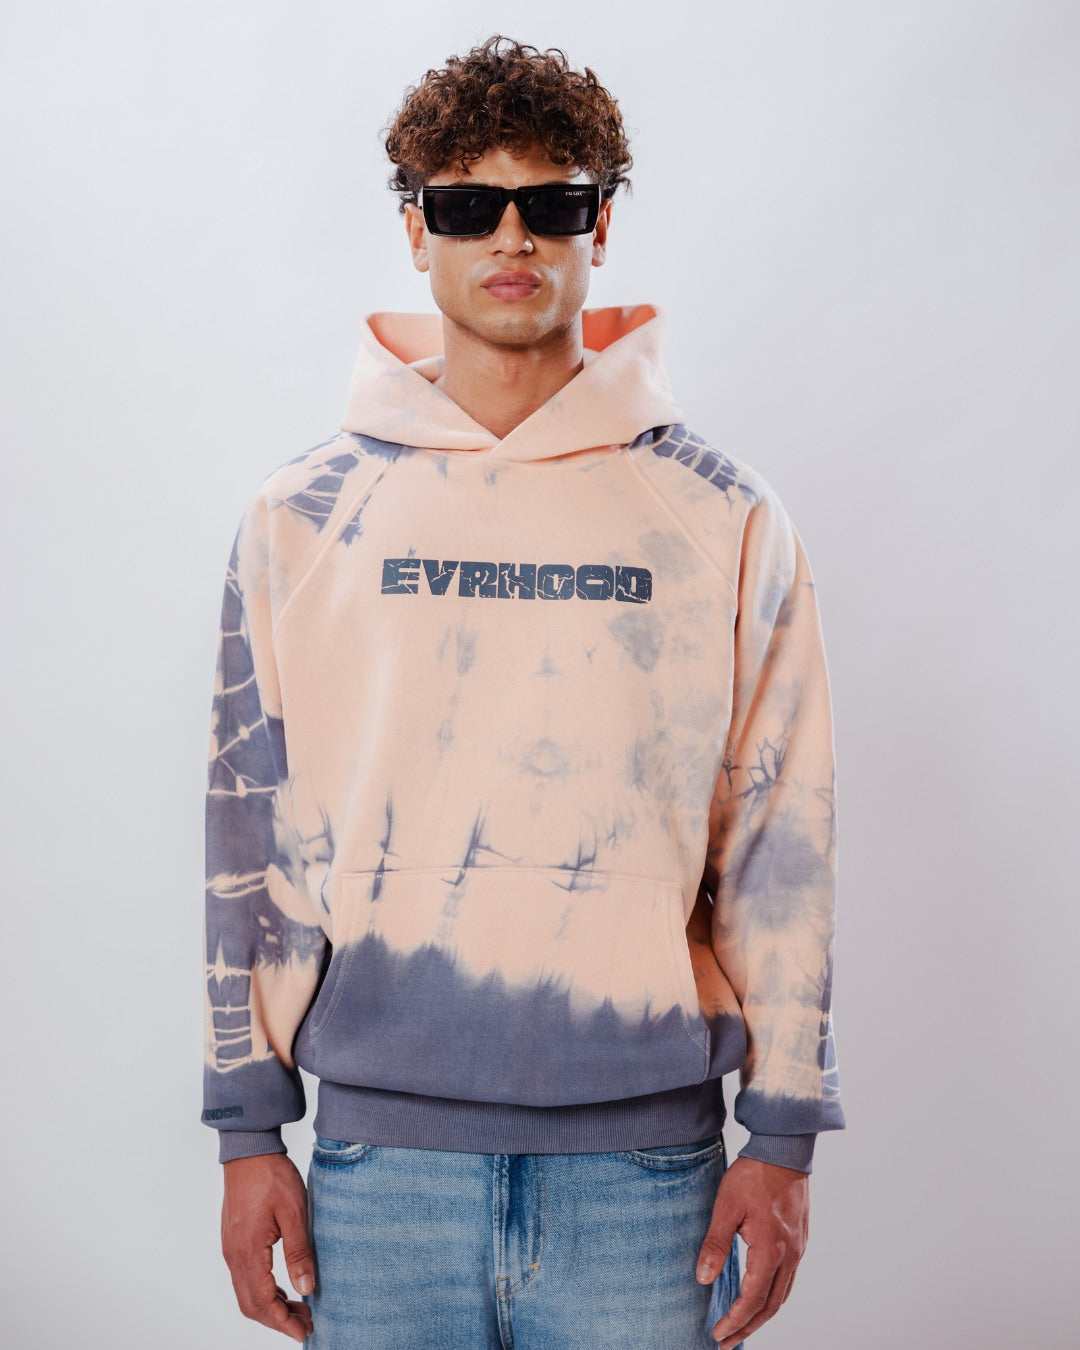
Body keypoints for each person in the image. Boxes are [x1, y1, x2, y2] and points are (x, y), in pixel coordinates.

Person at [201, 34, 846, 1349]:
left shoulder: (722, 516)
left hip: (648, 1181)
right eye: (466, 204)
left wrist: (783, 1136)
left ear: (600, 225)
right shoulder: (303, 518)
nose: (512, 236)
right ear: (415, 228)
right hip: (381, 1176)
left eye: (552, 201)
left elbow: (781, 834)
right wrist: (247, 1130)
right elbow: (252, 831)